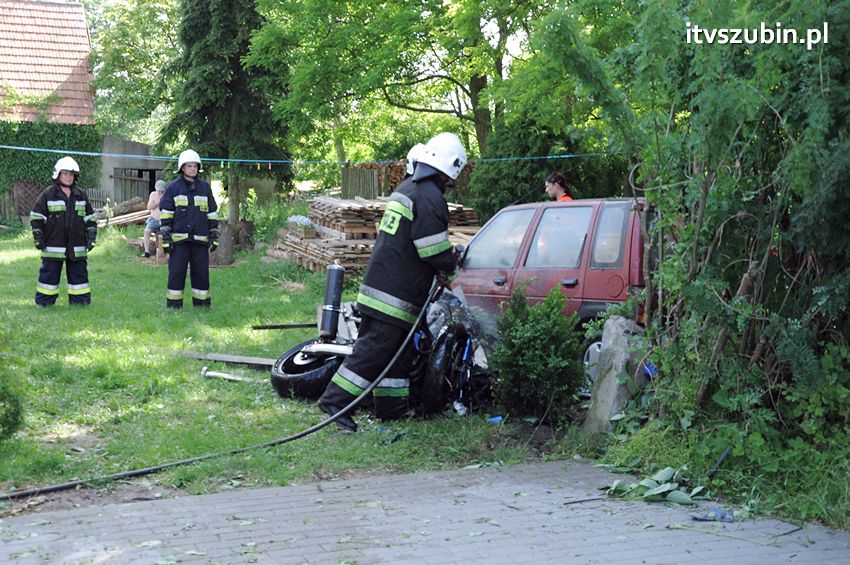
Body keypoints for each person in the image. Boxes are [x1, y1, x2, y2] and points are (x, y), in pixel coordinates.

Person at [318, 132, 467, 432]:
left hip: (386, 284)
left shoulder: (409, 188)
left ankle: (391, 409)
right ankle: (334, 402)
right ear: (451, 167)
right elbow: (431, 248)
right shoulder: (430, 196)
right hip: (395, 292)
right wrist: (451, 264)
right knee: (374, 350)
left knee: (398, 353)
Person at [29, 156, 97, 307]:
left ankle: (81, 303)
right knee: (49, 275)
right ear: (58, 174)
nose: (68, 177)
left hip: (76, 245)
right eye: (65, 173)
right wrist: (38, 235)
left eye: (71, 174)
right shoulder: (49, 194)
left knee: (79, 275)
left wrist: (91, 235)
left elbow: (91, 217)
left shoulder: (81, 195)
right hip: (53, 245)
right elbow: (36, 216)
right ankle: (44, 304)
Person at [158, 149, 219, 308]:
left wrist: (214, 233)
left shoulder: (205, 188)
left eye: (195, 166)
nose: (193, 169)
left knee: (201, 274)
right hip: (179, 241)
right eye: (189, 166)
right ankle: (174, 306)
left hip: (200, 239)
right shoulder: (173, 188)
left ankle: (202, 305)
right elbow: (166, 214)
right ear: (182, 168)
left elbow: (212, 212)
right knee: (176, 273)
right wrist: (165, 238)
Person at [142, 179, 166, 258]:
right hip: (154, 219)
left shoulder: (167, 195)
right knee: (147, 231)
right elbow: (149, 207)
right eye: (159, 191)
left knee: (161, 235)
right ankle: (146, 251)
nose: (160, 193)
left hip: (164, 219)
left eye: (162, 191)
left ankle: (162, 251)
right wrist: (158, 202)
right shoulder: (153, 194)